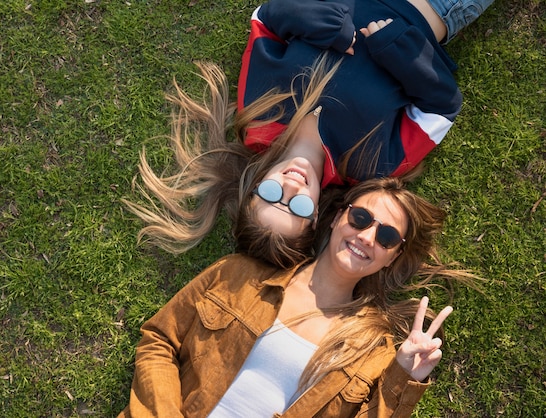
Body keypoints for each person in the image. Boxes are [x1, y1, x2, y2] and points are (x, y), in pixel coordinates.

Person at [123, 0, 494, 267]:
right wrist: (401, 51)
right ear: (318, 217)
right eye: (298, 207)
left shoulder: (258, 118)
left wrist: (318, 21)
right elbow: (441, 109)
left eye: (270, 196)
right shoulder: (372, 165)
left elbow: (265, 21)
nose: (290, 188)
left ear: (252, 187)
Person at [119, 177, 475, 417]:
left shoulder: (374, 351)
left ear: (393, 257)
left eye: (386, 237)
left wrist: (403, 376)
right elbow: (160, 339)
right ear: (338, 218)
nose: (367, 237)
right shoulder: (238, 274)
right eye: (361, 218)